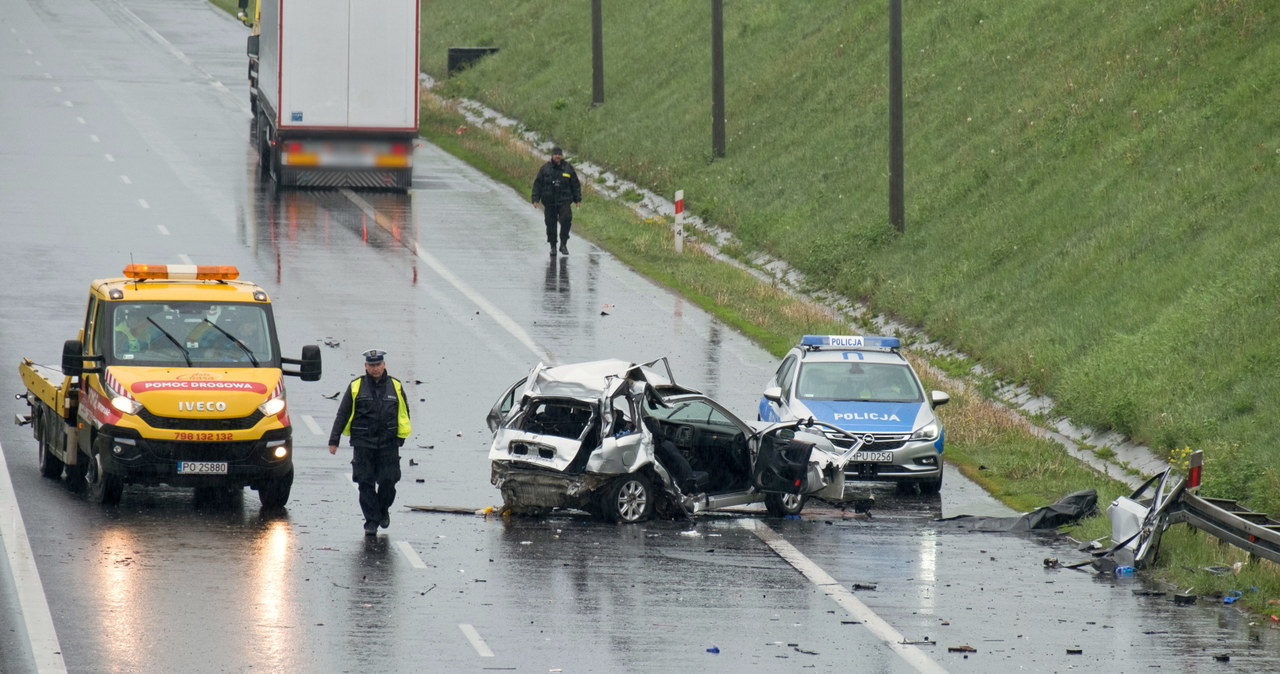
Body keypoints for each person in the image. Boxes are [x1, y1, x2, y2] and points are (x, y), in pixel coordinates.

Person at [328, 349, 412, 536]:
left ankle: (383, 509)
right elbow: (342, 414)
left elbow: (404, 414)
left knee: (389, 480)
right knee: (365, 482)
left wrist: (401, 437)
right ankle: (372, 521)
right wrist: (334, 440)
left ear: (384, 365)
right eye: (371, 365)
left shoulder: (395, 386)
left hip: (388, 443)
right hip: (363, 443)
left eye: (378, 365)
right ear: (366, 366)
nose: (375, 368)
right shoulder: (356, 386)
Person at [531, 146, 582, 256]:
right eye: (555, 154)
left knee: (566, 219)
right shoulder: (545, 169)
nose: (557, 156)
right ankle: (553, 246)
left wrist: (577, 199)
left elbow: (575, 184)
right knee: (550, 224)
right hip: (549, 202)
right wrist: (535, 199)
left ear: (562, 156)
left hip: (564, 200)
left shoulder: (568, 168)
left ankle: (563, 244)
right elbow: (538, 184)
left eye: (559, 154)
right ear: (552, 156)